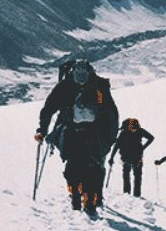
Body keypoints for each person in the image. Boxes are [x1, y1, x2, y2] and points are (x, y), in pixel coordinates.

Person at [36, 60, 120, 216]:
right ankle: (82, 198)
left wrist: (43, 130)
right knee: (86, 169)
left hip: (80, 133)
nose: (80, 78)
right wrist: (111, 136)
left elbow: (49, 109)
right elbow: (109, 111)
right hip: (89, 133)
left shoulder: (72, 88)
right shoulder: (94, 88)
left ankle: (85, 200)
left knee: (82, 168)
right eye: (78, 75)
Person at [114, 117, 156, 196]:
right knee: (137, 175)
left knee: (127, 175)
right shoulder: (140, 131)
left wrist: (111, 157)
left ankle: (127, 193)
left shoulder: (124, 132)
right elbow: (151, 138)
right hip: (137, 156)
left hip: (126, 156)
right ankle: (136, 194)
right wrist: (143, 148)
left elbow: (117, 145)